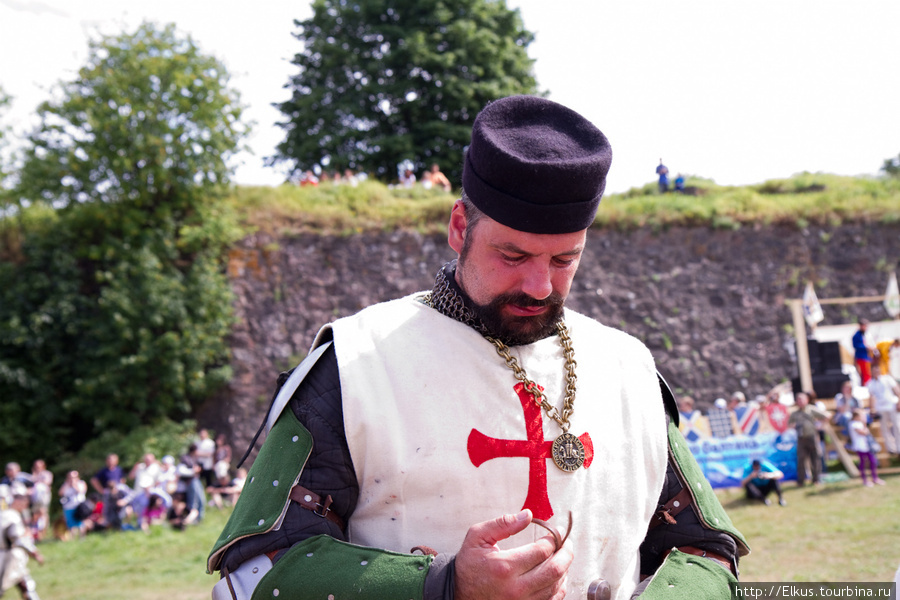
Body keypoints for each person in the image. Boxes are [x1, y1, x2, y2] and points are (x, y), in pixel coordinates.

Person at [207, 95, 748, 600]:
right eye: (512, 255)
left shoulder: (628, 368)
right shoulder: (354, 365)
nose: (540, 286)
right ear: (461, 225)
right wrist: (445, 585)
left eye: (563, 261)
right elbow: (257, 570)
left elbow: (707, 550)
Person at [0, 492, 44, 600]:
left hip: (9, 555)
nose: (24, 507)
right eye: (24, 504)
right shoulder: (12, 516)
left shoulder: (3, 514)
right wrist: (33, 551)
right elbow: (16, 538)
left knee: (25, 582)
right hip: (8, 556)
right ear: (17, 502)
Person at [787, 392, 828, 486]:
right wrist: (793, 426)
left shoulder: (811, 410)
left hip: (812, 437)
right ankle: (801, 481)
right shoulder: (795, 413)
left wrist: (821, 426)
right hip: (801, 438)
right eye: (798, 399)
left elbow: (826, 416)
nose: (800, 401)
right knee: (801, 460)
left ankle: (816, 479)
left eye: (801, 399)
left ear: (807, 400)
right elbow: (789, 424)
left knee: (815, 458)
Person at [867, 362, 900, 455]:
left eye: (877, 369)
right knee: (884, 429)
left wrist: (899, 402)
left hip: (892, 405)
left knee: (897, 426)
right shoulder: (870, 383)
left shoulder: (887, 379)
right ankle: (891, 448)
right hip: (880, 408)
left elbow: (897, 391)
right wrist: (871, 409)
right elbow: (871, 397)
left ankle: (899, 447)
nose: (876, 371)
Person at [847, 410, 884, 487]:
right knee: (863, 463)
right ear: (856, 416)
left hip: (866, 446)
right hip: (860, 447)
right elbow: (863, 432)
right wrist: (865, 424)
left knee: (873, 462)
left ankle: (875, 478)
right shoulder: (853, 424)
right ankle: (865, 480)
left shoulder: (859, 424)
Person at [58, 470, 88, 539]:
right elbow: (60, 493)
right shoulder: (65, 484)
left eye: (74, 477)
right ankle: (72, 538)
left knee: (81, 523)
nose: (71, 479)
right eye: (70, 477)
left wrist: (74, 484)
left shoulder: (81, 483)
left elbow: (80, 491)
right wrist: (67, 484)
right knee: (71, 523)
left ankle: (82, 538)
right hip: (68, 507)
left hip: (79, 506)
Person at [28, 460, 52, 541]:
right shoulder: (33, 475)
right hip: (35, 498)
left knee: (43, 513)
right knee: (35, 515)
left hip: (43, 497)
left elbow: (47, 483)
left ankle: (43, 532)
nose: (37, 468)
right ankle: (36, 533)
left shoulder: (46, 474)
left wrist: (37, 478)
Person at [852, 318, 875, 385]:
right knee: (865, 374)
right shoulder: (857, 335)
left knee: (868, 373)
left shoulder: (866, 334)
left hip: (867, 357)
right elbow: (856, 345)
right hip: (861, 357)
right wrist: (867, 347)